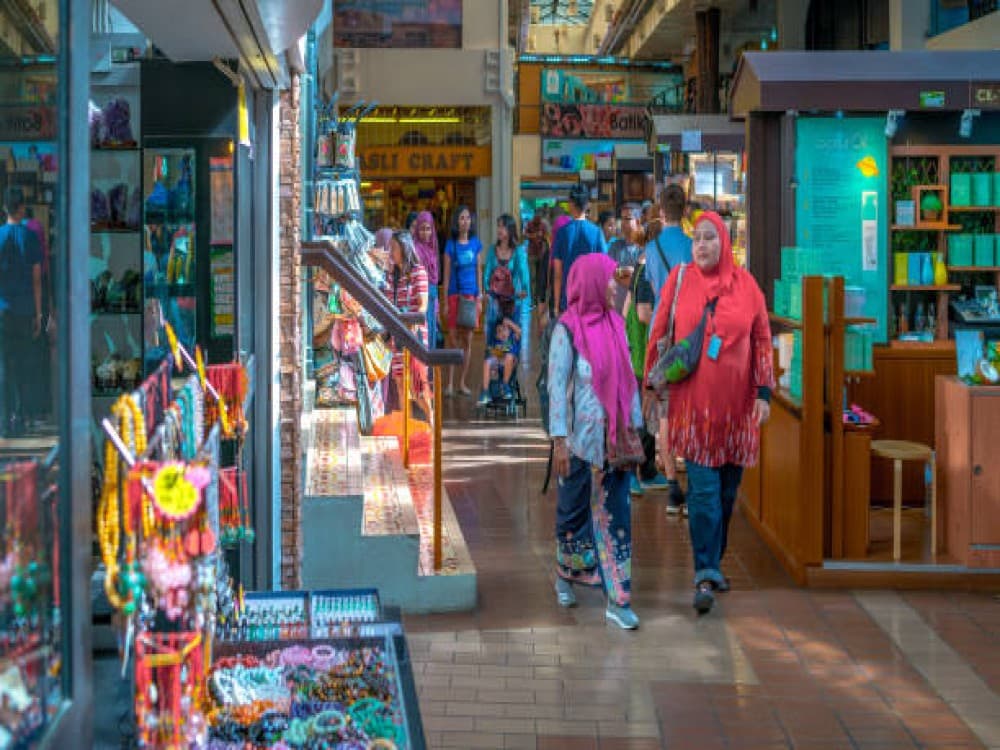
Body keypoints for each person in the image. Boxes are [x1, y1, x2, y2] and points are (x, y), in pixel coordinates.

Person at [643, 212, 774, 615]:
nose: (701, 245)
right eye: (696, 238)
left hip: (737, 413)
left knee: (727, 494)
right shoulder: (679, 281)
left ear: (724, 242)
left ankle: (713, 561)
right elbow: (658, 329)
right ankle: (704, 571)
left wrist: (764, 391)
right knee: (703, 494)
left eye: (708, 238)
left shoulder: (747, 285)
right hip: (694, 410)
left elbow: (762, 337)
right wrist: (650, 380)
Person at [548, 253, 643, 630]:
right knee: (572, 514)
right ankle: (565, 573)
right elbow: (557, 389)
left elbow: (627, 381)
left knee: (616, 515)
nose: (613, 287)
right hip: (578, 442)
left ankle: (618, 598)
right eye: (606, 281)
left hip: (614, 440)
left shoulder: (617, 325)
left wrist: (634, 426)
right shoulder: (566, 331)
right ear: (589, 283)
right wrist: (558, 441)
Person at [644, 184, 692, 514]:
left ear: (662, 211)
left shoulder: (651, 248)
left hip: (660, 336)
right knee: (689, 405)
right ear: (685, 211)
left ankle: (672, 485)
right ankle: (692, 476)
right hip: (689, 335)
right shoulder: (694, 247)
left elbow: (652, 290)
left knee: (664, 409)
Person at [620, 226, 669, 497]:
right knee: (644, 413)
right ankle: (638, 472)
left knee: (641, 411)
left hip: (636, 351)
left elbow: (626, 309)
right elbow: (641, 313)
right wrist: (665, 329)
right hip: (645, 351)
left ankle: (642, 470)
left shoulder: (638, 269)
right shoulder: (647, 270)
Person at [0, 187, 43, 438]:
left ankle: (5, 422)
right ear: (21, 208)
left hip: (3, 311)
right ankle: (22, 419)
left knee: (4, 367)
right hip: (25, 310)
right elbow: (37, 278)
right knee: (26, 366)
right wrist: (39, 314)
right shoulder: (29, 237)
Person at [386, 231, 434, 422]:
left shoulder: (418, 271)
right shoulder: (393, 275)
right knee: (399, 381)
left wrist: (411, 326)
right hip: (398, 334)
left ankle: (430, 421)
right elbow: (389, 303)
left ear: (405, 249)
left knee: (417, 385)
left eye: (394, 248)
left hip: (414, 335)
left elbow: (423, 304)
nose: (391, 252)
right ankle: (408, 427)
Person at [480, 215, 529, 396]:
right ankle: (489, 385)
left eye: (503, 227)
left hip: (511, 303)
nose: (499, 230)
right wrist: (485, 290)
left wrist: (523, 290)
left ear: (510, 230)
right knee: (492, 342)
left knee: (511, 341)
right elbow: (486, 274)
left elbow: (523, 275)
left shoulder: (518, 252)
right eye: (498, 226)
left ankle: (506, 381)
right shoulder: (493, 250)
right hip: (494, 304)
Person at [441, 206, 483, 396]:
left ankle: (462, 382)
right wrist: (444, 301)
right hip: (454, 296)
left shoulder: (476, 244)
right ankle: (449, 383)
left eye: (467, 218)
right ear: (456, 222)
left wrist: (479, 296)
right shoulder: (450, 245)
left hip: (471, 296)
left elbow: (478, 271)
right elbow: (446, 274)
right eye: (461, 218)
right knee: (452, 340)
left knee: (467, 340)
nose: (465, 221)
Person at [551, 185, 604, 315]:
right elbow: (603, 270)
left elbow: (558, 273)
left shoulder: (562, 233)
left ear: (571, 205)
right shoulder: (596, 233)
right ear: (587, 206)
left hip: (568, 301)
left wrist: (556, 306)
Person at [412, 212, 440, 359]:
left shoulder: (432, 248)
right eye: (422, 229)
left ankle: (430, 377)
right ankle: (424, 378)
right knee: (424, 337)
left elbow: (435, 279)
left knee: (432, 335)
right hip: (422, 298)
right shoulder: (415, 249)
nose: (425, 232)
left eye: (428, 228)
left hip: (432, 296)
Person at [480, 318, 521, 403]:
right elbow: (491, 354)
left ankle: (505, 385)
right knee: (487, 361)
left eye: (505, 330)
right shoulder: (495, 342)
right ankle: (485, 392)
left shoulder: (512, 338)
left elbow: (519, 332)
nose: (502, 333)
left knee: (509, 355)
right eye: (499, 331)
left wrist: (510, 323)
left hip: (509, 364)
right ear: (496, 335)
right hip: (497, 365)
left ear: (509, 331)